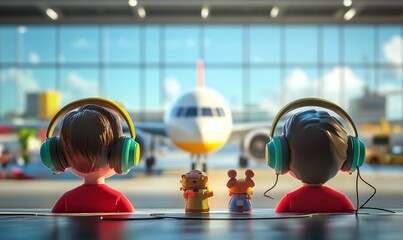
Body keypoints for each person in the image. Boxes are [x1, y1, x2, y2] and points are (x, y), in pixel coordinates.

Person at [44, 102, 136, 213]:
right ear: (120, 155)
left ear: (60, 157)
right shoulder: (116, 198)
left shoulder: (67, 199)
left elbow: (54, 222)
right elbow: (130, 220)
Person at [273, 109, 356, 213]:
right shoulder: (341, 200)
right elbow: (353, 224)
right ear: (348, 160)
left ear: (281, 158)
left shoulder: (289, 200)